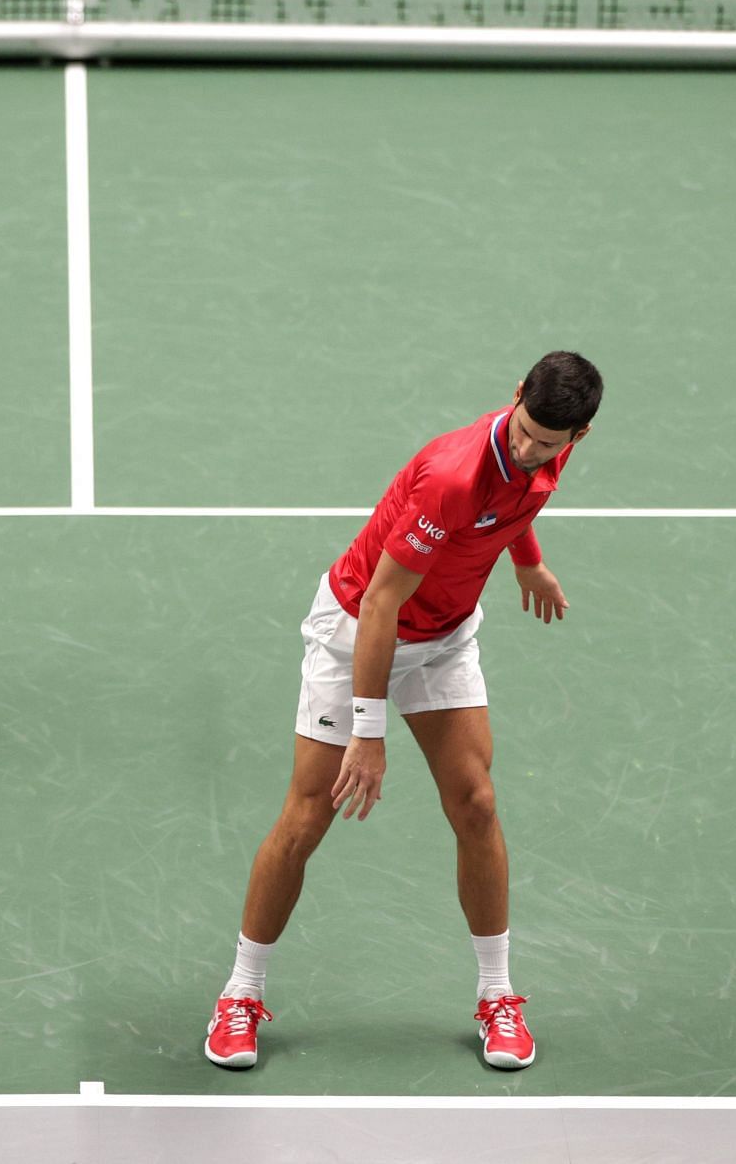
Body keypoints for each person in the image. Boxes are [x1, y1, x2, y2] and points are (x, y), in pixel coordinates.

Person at [203, 351, 603, 1072]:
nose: (530, 449)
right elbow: (383, 601)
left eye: (549, 442)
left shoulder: (551, 452)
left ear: (580, 435)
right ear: (514, 396)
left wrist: (527, 562)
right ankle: (240, 993)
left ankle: (498, 995)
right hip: (357, 631)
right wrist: (369, 731)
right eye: (524, 433)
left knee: (476, 803)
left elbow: (518, 507)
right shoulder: (454, 475)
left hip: (445, 637)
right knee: (307, 816)